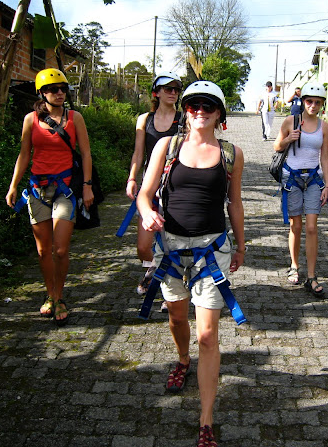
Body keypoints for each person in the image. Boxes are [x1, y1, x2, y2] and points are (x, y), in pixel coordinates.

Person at [137, 80, 245, 447]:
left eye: (208, 106)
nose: (200, 111)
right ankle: (183, 360)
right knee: (177, 318)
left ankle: (206, 420)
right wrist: (147, 212)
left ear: (219, 113)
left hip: (211, 251)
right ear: (185, 110)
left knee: (208, 335)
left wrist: (241, 245)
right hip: (170, 249)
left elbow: (235, 203)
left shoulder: (231, 154)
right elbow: (145, 194)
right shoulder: (167, 147)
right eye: (193, 105)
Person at [5, 68, 94, 326]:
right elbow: (24, 154)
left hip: (65, 190)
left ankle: (59, 296)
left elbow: (86, 153)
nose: (59, 93)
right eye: (54, 89)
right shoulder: (30, 120)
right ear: (42, 93)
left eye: (63, 89)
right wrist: (13, 186)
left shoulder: (75, 118)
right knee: (44, 251)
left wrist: (87, 186)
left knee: (61, 249)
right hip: (37, 190)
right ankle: (51, 294)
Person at [126, 72, 183, 305]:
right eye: (168, 88)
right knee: (143, 247)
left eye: (176, 89)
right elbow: (139, 153)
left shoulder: (184, 119)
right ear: (156, 92)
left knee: (173, 243)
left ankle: (171, 290)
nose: (173, 93)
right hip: (150, 186)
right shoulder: (144, 119)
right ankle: (154, 270)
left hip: (176, 187)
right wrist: (132, 178)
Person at [273, 82, 328, 297]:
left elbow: (325, 157)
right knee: (295, 226)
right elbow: (277, 146)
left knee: (312, 227)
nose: (313, 106)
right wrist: (289, 138)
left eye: (317, 102)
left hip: (313, 179)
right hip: (292, 178)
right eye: (309, 101)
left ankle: (312, 276)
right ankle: (294, 266)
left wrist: (327, 184)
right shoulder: (291, 121)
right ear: (303, 101)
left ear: (322, 104)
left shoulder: (324, 126)